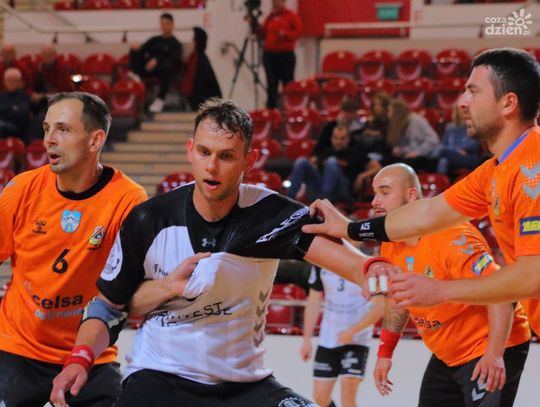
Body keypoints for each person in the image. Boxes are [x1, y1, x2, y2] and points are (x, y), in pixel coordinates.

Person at [50, 98, 395, 407]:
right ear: (190, 150)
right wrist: (79, 359)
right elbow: (107, 306)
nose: (212, 167)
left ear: (249, 160)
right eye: (204, 152)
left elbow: (359, 267)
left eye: (226, 156)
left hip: (244, 386)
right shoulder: (149, 218)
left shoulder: (271, 215)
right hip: (160, 376)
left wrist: (375, 271)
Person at [301, 48, 540, 332]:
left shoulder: (532, 169)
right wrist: (351, 229)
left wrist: (441, 290)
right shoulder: (498, 168)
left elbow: (531, 277)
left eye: (473, 91)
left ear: (508, 103)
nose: (462, 102)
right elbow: (427, 213)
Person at [0, 91, 147, 406]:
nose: (48, 140)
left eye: (63, 130)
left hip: (91, 354)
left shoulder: (129, 200)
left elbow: (129, 289)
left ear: (95, 140)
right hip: (17, 349)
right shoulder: (22, 189)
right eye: (46, 129)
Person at [369, 163, 529, 407]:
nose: (374, 201)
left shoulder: (453, 237)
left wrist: (496, 354)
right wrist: (385, 352)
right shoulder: (390, 242)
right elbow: (398, 298)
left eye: (384, 192)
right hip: (448, 354)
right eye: (374, 193)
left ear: (411, 195)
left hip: (492, 345)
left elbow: (502, 293)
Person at [300, 265, 384, 407]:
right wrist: (306, 340)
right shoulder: (320, 263)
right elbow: (313, 301)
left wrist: (353, 331)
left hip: (357, 339)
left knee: (348, 393)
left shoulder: (366, 262)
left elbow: (380, 306)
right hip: (329, 337)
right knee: (320, 396)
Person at [287, 124, 381, 204]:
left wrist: (362, 176)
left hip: (343, 192)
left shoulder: (355, 153)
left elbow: (378, 167)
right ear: (331, 139)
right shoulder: (326, 152)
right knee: (301, 161)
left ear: (348, 140)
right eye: (336, 138)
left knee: (331, 162)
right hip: (319, 191)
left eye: (342, 138)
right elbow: (310, 164)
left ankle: (324, 203)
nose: (339, 141)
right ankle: (289, 202)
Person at [129, 13, 183, 113]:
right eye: (162, 24)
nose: (164, 26)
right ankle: (135, 75)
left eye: (167, 24)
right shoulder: (155, 40)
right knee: (135, 50)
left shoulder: (176, 44)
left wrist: (156, 60)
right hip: (148, 69)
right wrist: (137, 48)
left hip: (163, 71)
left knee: (168, 67)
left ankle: (160, 99)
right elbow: (143, 49)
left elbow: (173, 60)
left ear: (172, 25)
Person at [259, 0, 302, 108]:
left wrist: (285, 34)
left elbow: (298, 32)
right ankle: (271, 109)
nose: (275, 3)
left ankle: (289, 107)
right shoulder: (270, 17)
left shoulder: (291, 15)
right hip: (270, 54)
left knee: (287, 83)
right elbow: (263, 33)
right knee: (271, 83)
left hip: (285, 54)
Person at [386, 97, 440, 172]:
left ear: (397, 113)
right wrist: (398, 149)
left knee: (401, 166)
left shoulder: (416, 120)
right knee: (387, 161)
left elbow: (433, 139)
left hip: (423, 157)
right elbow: (404, 147)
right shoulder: (397, 125)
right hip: (407, 156)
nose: (388, 115)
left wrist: (417, 152)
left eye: (390, 111)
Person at [434, 103, 483, 177]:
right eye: (458, 110)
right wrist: (455, 151)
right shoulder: (449, 128)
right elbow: (444, 144)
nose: (459, 113)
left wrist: (464, 149)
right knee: (443, 161)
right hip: (451, 155)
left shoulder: (472, 126)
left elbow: (476, 143)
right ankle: (443, 182)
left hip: (467, 157)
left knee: (441, 152)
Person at [180, 26, 222, 111]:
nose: (192, 41)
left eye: (194, 39)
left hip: (200, 99)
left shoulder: (199, 58)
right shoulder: (197, 57)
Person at [0, 67, 31, 140]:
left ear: (19, 82)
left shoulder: (24, 96)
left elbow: (22, 113)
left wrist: (4, 110)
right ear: (4, 82)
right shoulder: (1, 96)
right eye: (9, 80)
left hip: (17, 128)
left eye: (14, 80)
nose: (11, 83)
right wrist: (11, 108)